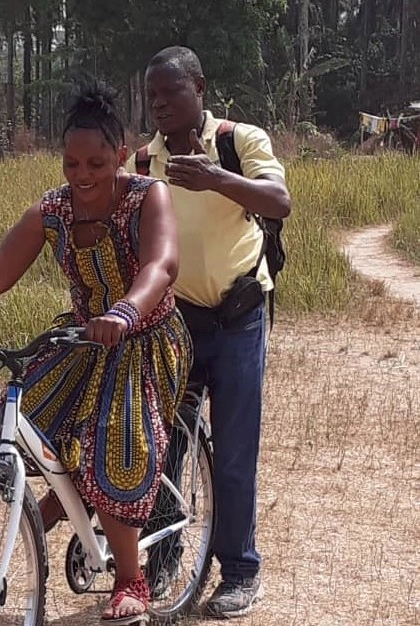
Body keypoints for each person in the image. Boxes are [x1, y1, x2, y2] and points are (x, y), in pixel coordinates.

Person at [0, 83, 192, 624]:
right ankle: (72, 495)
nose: (82, 175)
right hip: (83, 337)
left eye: (97, 163)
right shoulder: (52, 210)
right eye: (71, 163)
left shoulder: (146, 196)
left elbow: (162, 267)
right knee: (22, 416)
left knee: (115, 437)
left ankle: (130, 578)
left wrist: (125, 313)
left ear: (122, 155)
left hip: (146, 338)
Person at [126, 46, 291, 618]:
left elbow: (279, 201)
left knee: (233, 450)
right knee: (165, 442)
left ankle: (239, 572)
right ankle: (166, 558)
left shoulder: (239, 141)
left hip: (239, 315)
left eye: (171, 92)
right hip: (177, 321)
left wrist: (217, 177)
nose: (160, 105)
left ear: (199, 87)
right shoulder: (143, 164)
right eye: (151, 97)